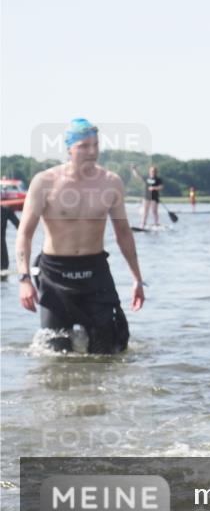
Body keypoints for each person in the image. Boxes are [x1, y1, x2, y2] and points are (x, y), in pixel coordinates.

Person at [16, 119, 144, 353]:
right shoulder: (45, 182)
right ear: (69, 148)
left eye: (95, 145)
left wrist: (137, 278)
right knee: (56, 351)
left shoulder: (111, 182)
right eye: (84, 146)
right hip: (55, 273)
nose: (92, 151)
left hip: (95, 271)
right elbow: (24, 233)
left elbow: (123, 233)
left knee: (109, 351)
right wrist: (24, 279)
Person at [131, 164, 163, 228]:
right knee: (145, 211)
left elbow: (161, 187)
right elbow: (138, 176)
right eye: (151, 171)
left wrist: (154, 188)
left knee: (154, 211)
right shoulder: (146, 178)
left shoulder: (158, 179)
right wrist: (134, 169)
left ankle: (156, 224)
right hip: (146, 197)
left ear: (156, 172)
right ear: (149, 171)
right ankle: (143, 224)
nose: (152, 172)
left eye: (154, 171)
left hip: (154, 198)